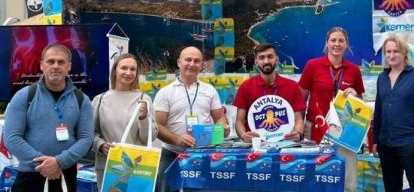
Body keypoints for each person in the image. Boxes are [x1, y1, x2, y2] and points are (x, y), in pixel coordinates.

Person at [4, 43, 93, 192]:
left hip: (65, 174)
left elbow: (86, 138)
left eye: (61, 62)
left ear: (69, 66)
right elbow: (12, 138)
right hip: (30, 175)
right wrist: (45, 164)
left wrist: (59, 162)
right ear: (42, 65)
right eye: (50, 61)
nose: (55, 66)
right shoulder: (24, 96)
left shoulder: (81, 99)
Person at [154, 46, 228, 192]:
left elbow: (220, 117)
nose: (192, 64)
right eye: (188, 60)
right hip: (171, 153)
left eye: (196, 61)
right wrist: (177, 140)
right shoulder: (165, 92)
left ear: (201, 65)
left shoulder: (210, 90)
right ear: (179, 63)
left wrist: (222, 128)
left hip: (203, 154)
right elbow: (158, 125)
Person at [299, 27, 365, 192]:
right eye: (333, 40)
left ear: (346, 44)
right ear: (327, 43)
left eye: (341, 41)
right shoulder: (312, 66)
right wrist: (298, 129)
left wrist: (355, 96)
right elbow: (300, 100)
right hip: (316, 128)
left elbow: (360, 105)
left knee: (348, 178)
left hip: (345, 132)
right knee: (315, 175)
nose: (337, 44)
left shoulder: (354, 70)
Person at [370, 36, 414, 192]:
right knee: (391, 187)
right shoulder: (382, 77)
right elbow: (378, 110)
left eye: (396, 51)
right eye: (388, 51)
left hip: (411, 143)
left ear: (404, 53)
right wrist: (375, 139)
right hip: (386, 143)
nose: (391, 55)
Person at [92, 54, 152, 190]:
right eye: (124, 68)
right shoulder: (100, 100)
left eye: (133, 69)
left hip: (137, 168)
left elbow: (149, 138)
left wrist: (144, 119)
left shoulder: (144, 99)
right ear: (115, 71)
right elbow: (89, 134)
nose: (128, 73)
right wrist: (101, 145)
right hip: (108, 166)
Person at [234, 43, 306, 142]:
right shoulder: (246, 87)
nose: (266, 61)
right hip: (255, 144)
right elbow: (239, 120)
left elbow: (298, 119)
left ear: (277, 59)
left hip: (285, 144)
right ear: (256, 62)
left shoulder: (292, 86)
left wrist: (298, 133)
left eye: (270, 57)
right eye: (261, 58)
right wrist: (243, 135)